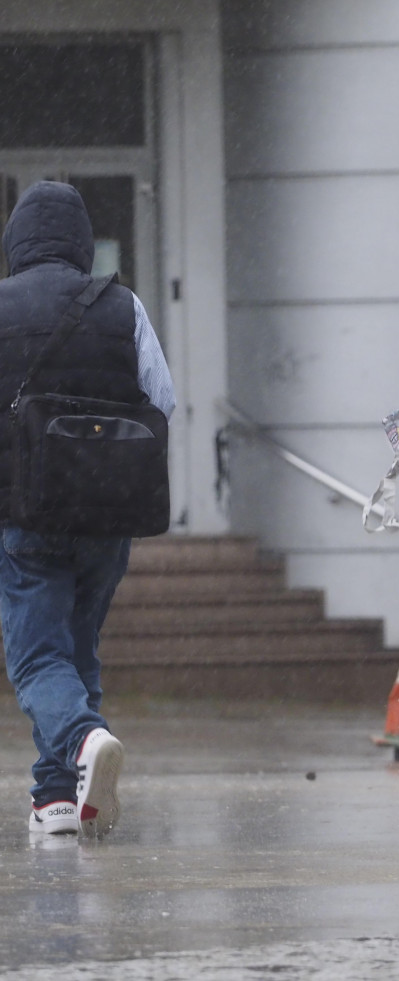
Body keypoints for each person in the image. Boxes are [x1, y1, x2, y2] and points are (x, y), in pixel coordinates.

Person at [0, 181, 175, 838]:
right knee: (76, 649)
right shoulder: (121, 306)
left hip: (26, 511)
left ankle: (81, 740)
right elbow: (163, 398)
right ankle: (56, 798)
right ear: (78, 241)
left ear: (16, 242)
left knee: (38, 657)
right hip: (107, 513)